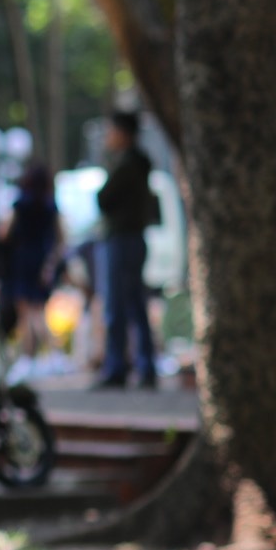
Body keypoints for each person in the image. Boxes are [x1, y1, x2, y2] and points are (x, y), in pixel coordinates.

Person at [95, 110, 158, 388]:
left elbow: (104, 198)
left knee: (120, 306)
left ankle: (118, 367)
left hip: (123, 239)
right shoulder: (137, 163)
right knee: (134, 304)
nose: (108, 138)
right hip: (131, 239)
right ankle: (142, 366)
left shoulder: (129, 164)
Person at [0, 162, 62, 366]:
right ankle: (52, 355)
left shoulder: (21, 204)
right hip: (41, 260)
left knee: (26, 314)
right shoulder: (50, 205)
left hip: (22, 259)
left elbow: (4, 232)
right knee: (39, 312)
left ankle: (29, 358)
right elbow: (60, 236)